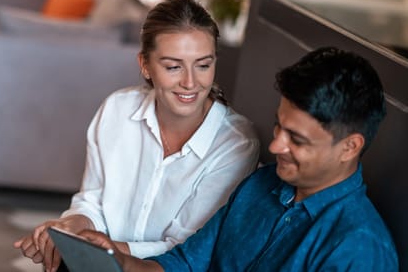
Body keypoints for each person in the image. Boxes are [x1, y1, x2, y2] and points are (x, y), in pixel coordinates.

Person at [81, 47, 399, 271]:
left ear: (349, 147)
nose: (275, 145)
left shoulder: (359, 249)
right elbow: (185, 264)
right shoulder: (261, 185)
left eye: (297, 140)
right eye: (279, 125)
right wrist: (118, 261)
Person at [13, 0, 260, 271]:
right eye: (173, 66)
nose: (191, 82)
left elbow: (189, 249)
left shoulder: (236, 143)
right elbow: (91, 202)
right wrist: (68, 228)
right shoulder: (117, 110)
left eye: (203, 65)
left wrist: (108, 248)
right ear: (145, 65)